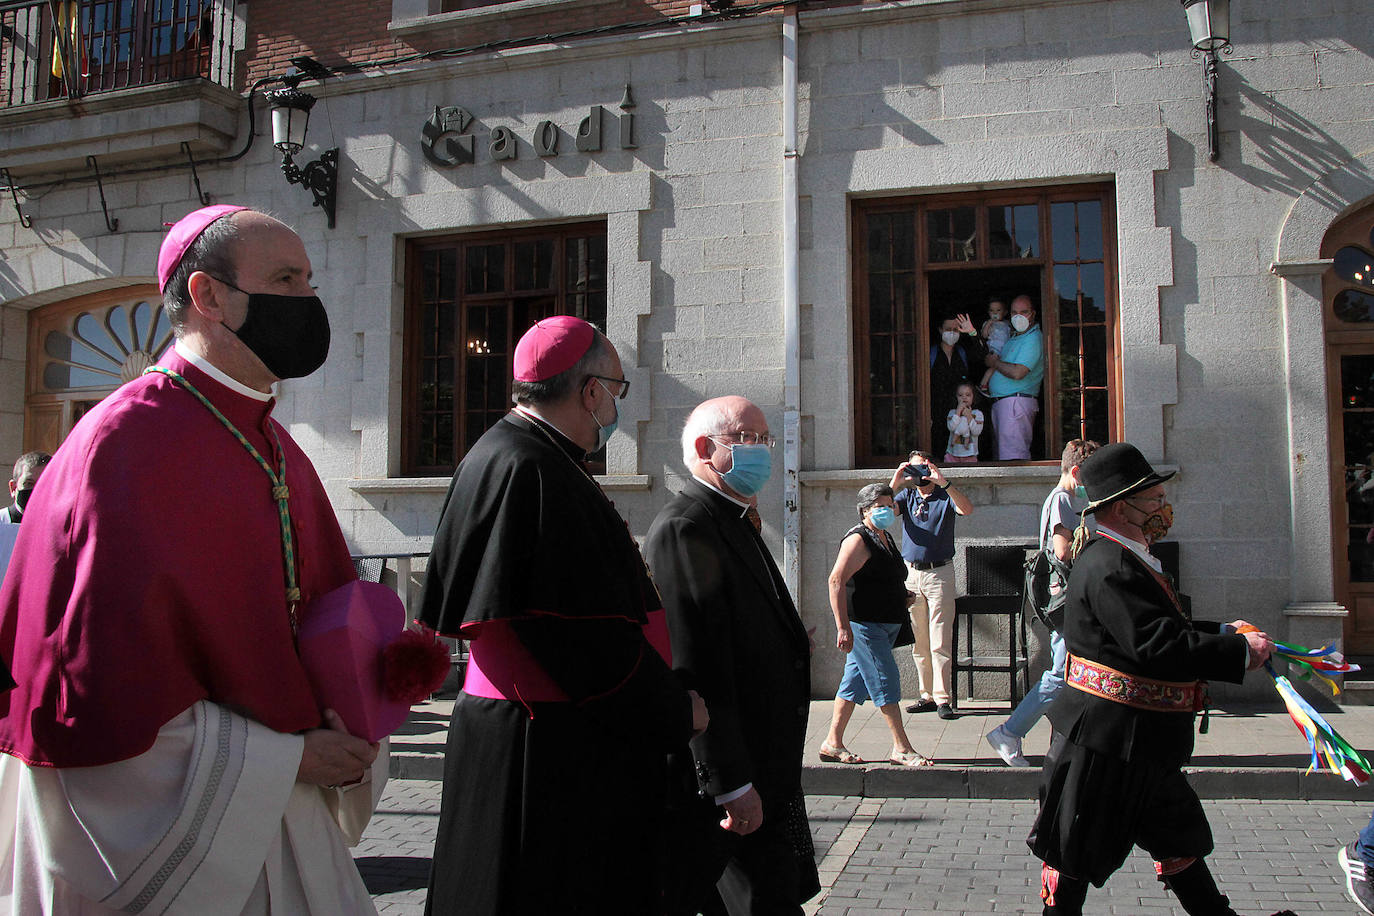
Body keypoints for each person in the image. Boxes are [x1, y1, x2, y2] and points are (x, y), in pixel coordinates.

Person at [0, 204, 384, 913]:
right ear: (209, 296)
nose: (309, 300)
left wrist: (362, 704)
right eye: (286, 279)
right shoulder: (121, 445)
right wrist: (287, 761)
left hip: (284, 817)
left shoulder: (276, 443)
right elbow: (93, 691)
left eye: (308, 280)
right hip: (208, 822)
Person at [418, 316, 706, 916]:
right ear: (591, 390)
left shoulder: (504, 450)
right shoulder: (537, 469)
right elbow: (582, 643)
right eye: (617, 392)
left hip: (515, 729)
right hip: (549, 746)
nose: (616, 407)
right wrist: (674, 709)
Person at [1027, 442, 1283, 916]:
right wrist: (1238, 653)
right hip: (1107, 743)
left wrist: (1226, 632)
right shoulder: (1110, 565)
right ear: (1123, 506)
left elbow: (1162, 627)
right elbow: (1155, 644)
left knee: (1176, 837)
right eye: (1154, 498)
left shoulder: (1129, 557)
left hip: (1141, 739)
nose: (1164, 507)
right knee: (1074, 855)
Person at [644, 395, 819, 915]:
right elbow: (695, 663)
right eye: (749, 439)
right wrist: (731, 783)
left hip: (767, 764)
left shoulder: (734, 515)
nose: (763, 450)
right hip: (731, 780)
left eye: (766, 439)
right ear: (705, 449)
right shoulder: (686, 526)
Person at [985, 438, 1099, 767]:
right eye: (1089, 478)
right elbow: (1063, 551)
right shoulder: (1063, 500)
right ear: (1076, 471)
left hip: (1062, 599)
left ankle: (1059, 739)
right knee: (1061, 673)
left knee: (1068, 672)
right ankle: (1010, 731)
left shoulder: (1061, 499)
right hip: (1066, 600)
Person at [820, 483, 932, 768]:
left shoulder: (884, 536)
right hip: (864, 625)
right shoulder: (858, 539)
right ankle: (901, 748)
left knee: (852, 685)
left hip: (885, 623)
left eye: (888, 504)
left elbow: (881, 576)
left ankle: (832, 743)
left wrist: (901, 595)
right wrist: (842, 627)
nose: (886, 510)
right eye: (879, 506)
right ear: (865, 511)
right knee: (886, 680)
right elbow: (836, 581)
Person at [890, 451, 973, 720]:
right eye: (912, 470)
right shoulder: (907, 496)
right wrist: (896, 482)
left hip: (939, 573)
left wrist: (943, 482)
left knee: (940, 637)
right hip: (912, 574)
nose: (916, 476)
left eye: (920, 470)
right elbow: (883, 511)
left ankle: (942, 698)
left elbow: (966, 509)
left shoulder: (943, 496)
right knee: (919, 639)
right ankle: (926, 694)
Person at [985, 294, 1044, 460]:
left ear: (1033, 313)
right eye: (1014, 312)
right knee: (1003, 458)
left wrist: (994, 363)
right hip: (1005, 403)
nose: (1018, 317)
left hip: (1015, 404)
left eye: (1024, 312)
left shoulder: (1033, 338)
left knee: (1013, 460)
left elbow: (1019, 372)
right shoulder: (1015, 336)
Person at [930, 312, 984, 460]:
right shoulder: (931, 353)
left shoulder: (962, 352)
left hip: (960, 412)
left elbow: (982, 356)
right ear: (940, 330)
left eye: (955, 329)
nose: (952, 333)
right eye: (948, 329)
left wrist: (972, 332)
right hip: (937, 411)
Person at [0, 451, 50, 523]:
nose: (36, 491)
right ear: (13, 488)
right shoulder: (2, 522)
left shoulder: (63, 527)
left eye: (44, 484)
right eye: (29, 483)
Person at [978, 297, 1012, 395]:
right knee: (993, 367)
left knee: (1004, 369)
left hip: (1006, 351)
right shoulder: (989, 324)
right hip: (995, 351)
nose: (995, 313)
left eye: (998, 310)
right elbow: (984, 335)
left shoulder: (1007, 324)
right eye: (992, 311)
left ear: (1005, 312)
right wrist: (989, 324)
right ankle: (983, 384)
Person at [945, 382, 984, 464]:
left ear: (973, 397)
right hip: (952, 454)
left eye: (968, 395)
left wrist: (969, 416)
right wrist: (958, 412)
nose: (964, 397)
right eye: (960, 395)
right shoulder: (952, 413)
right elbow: (951, 427)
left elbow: (976, 432)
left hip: (970, 454)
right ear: (956, 397)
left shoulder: (977, 414)